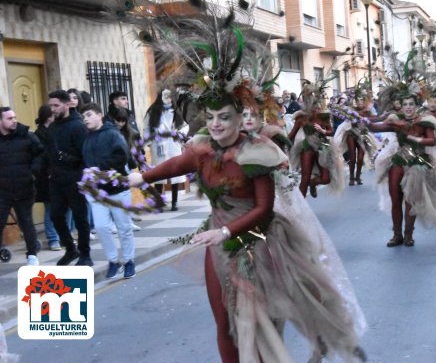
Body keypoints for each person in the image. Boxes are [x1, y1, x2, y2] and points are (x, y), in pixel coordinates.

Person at [127, 86, 366, 363]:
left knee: (258, 324)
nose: (216, 123)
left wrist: (226, 231)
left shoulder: (257, 153)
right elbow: (177, 165)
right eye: (211, 116)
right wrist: (141, 179)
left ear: (240, 119)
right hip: (217, 245)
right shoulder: (203, 149)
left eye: (224, 117)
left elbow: (264, 210)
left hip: (257, 244)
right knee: (225, 324)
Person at [368, 94, 436, 247]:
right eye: (405, 104)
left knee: (410, 201)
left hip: (416, 163)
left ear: (416, 106)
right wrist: (357, 119)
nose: (407, 107)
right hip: (399, 161)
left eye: (411, 104)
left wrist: (417, 139)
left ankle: (408, 235)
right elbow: (374, 127)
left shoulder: (424, 122)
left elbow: (433, 140)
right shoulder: (396, 122)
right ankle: (396, 235)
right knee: (395, 201)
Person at [81, 103, 136, 279]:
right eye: (84, 117)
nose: (86, 119)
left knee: (123, 227)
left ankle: (129, 262)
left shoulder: (113, 134)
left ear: (99, 115)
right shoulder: (87, 138)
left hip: (117, 189)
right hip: (97, 192)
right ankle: (113, 261)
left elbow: (122, 156)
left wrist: (99, 169)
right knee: (101, 227)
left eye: (89, 115)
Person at [47, 89, 93, 266]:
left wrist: (67, 159)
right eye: (50, 105)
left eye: (56, 105)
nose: (53, 109)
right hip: (57, 179)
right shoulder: (53, 126)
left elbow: (86, 154)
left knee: (80, 217)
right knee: (56, 215)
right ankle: (70, 248)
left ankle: (85, 254)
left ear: (67, 104)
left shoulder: (78, 126)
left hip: (75, 178)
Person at [0, 107, 44, 265]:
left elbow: (40, 154)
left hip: (24, 187)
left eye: (14, 117)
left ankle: (32, 255)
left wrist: (33, 172)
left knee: (26, 221)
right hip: (2, 190)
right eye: (9, 118)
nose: (14, 121)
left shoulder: (26, 136)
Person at [288, 82, 345, 198]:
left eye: (317, 104)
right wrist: (278, 140)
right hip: (307, 148)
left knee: (326, 179)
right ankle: (301, 209)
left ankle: (312, 184)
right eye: (313, 104)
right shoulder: (301, 118)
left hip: (323, 148)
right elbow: (291, 136)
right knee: (305, 178)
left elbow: (331, 131)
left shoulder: (323, 117)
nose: (316, 107)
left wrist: (323, 131)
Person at [143, 89, 187, 211]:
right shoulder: (152, 112)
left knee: (175, 173)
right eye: (164, 96)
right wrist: (150, 141)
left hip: (173, 144)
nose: (167, 99)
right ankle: (159, 202)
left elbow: (184, 126)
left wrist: (179, 135)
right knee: (159, 174)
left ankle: (174, 202)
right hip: (159, 144)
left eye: (169, 96)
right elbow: (146, 128)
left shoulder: (176, 111)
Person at [333, 89, 377, 186]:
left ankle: (358, 176)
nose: (360, 102)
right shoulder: (351, 110)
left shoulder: (368, 111)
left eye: (362, 100)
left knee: (360, 158)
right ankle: (351, 177)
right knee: (352, 158)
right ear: (356, 102)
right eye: (358, 100)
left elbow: (372, 122)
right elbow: (340, 111)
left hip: (362, 135)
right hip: (351, 134)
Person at [34, 105, 61, 251]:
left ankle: (63, 235)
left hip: (58, 174)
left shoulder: (56, 130)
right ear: (49, 116)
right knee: (50, 208)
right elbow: (42, 155)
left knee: (63, 207)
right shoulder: (39, 134)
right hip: (46, 176)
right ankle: (53, 239)